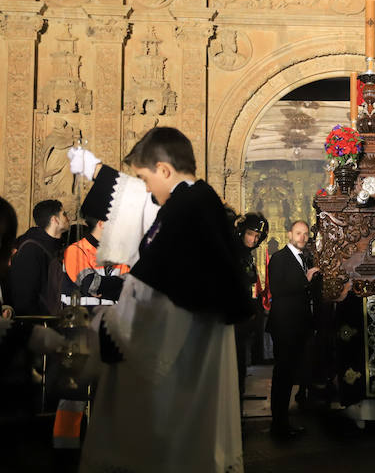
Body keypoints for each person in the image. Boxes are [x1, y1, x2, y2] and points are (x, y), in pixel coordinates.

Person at [67, 127, 250, 473]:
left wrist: (99, 336)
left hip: (182, 356)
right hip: (191, 346)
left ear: (164, 170)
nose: (146, 190)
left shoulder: (187, 210)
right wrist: (97, 171)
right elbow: (140, 203)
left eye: (145, 179)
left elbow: (156, 297)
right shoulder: (193, 201)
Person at [266, 219, 319, 440]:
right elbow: (277, 289)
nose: (302, 238)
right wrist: (306, 280)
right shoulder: (279, 258)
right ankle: (279, 424)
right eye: (298, 233)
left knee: (290, 375)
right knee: (283, 375)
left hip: (299, 326)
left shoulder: (305, 259)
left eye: (305, 234)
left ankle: (284, 423)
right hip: (285, 325)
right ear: (289, 234)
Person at [7, 200, 70, 316]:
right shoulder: (31, 250)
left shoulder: (61, 245)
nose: (68, 218)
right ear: (55, 220)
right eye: (64, 214)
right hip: (41, 321)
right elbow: (24, 297)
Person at [233, 212, 268, 399]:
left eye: (257, 236)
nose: (253, 239)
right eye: (250, 234)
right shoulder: (234, 252)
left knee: (241, 360)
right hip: (233, 317)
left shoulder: (246, 255)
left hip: (243, 315)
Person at [61, 214, 129, 307]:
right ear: (102, 224)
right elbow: (91, 284)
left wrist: (102, 288)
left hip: (112, 315)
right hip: (83, 315)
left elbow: (131, 288)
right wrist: (115, 287)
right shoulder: (75, 250)